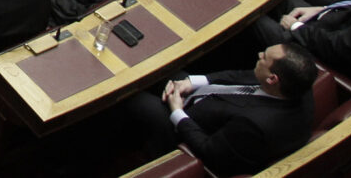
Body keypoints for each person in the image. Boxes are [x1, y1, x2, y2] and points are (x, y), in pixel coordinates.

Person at [122, 43, 319, 176]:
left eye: (264, 58)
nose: (259, 55)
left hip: (185, 128)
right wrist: (192, 82)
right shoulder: (297, 86)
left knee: (131, 97)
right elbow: (241, 76)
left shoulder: (254, 125)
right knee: (159, 65)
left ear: (272, 79)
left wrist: (177, 112)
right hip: (208, 99)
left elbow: (208, 150)